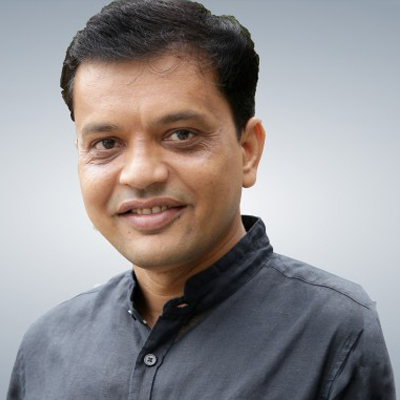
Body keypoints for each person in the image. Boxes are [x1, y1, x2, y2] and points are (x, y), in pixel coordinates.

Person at [7, 0, 396, 398]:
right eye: (106, 143)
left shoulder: (334, 332)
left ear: (247, 151)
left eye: (181, 135)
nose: (140, 174)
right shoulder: (47, 346)